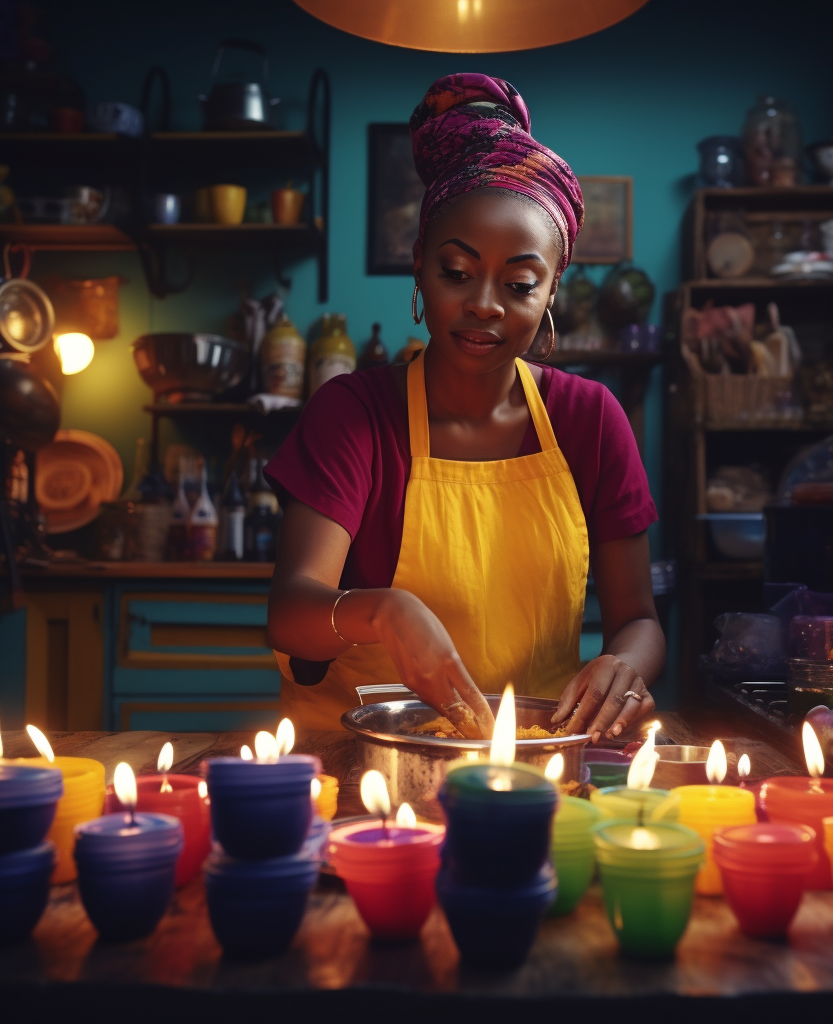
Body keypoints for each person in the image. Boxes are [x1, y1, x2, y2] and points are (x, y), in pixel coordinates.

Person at [266, 73, 663, 741]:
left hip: (534, 762)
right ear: (419, 266)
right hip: (362, 762)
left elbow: (639, 620)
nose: (484, 302)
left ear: (551, 291)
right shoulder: (355, 414)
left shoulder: (590, 419)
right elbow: (292, 612)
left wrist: (624, 665)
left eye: (518, 283)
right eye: (457, 272)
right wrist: (384, 612)